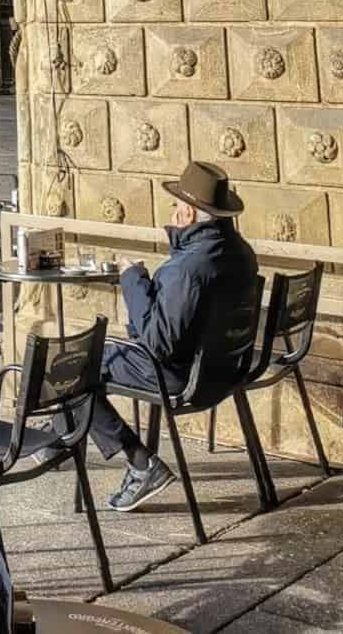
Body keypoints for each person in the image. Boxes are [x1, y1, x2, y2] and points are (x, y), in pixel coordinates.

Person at [86, 160, 258, 512]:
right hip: (227, 370)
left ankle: (140, 463)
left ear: (188, 213)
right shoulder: (241, 252)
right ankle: (60, 431)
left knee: (76, 368)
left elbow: (157, 343)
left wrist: (133, 279)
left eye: (177, 204)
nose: (174, 211)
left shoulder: (188, 268)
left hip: (182, 376)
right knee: (76, 384)